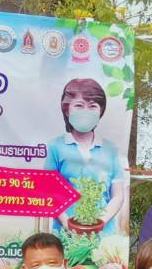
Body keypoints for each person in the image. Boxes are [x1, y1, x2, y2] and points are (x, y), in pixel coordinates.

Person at [42, 78, 129, 234]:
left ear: (101, 110)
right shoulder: (55, 147)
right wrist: (67, 223)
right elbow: (49, 192)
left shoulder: (111, 150)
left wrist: (98, 223)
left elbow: (118, 196)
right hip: (65, 234)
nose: (85, 112)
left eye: (92, 106)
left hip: (103, 235)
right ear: (67, 109)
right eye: (79, 106)